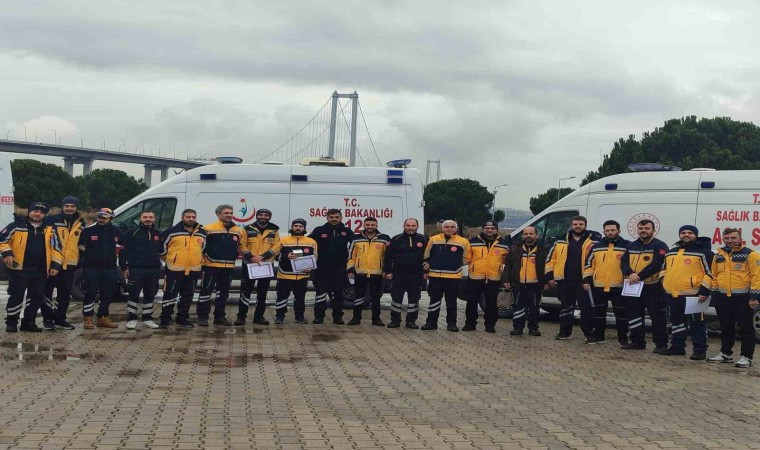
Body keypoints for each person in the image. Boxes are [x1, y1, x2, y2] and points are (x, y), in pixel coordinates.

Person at [0, 202, 61, 332]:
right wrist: (7, 253)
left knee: (36, 296)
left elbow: (56, 248)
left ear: (45, 214)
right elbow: (2, 240)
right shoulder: (16, 226)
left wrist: (55, 265)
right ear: (29, 211)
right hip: (20, 268)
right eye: (35, 211)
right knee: (17, 295)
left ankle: (28, 323)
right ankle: (11, 323)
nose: (38, 214)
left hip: (41, 269)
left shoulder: (51, 228)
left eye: (41, 212)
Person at [707, 228, 760, 368]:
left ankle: (746, 357)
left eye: (733, 238)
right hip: (722, 298)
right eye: (727, 238)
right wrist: (715, 293)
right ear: (723, 239)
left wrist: (754, 297)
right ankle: (725, 354)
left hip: (743, 298)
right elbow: (714, 275)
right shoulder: (719, 255)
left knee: (746, 329)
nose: (730, 241)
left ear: (740, 238)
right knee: (726, 327)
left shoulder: (751, 255)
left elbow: (757, 277)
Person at [659, 225, 714, 360]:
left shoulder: (705, 253)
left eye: (690, 232)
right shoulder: (671, 252)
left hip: (694, 294)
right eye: (683, 232)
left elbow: (710, 273)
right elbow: (663, 269)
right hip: (672, 294)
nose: (686, 235)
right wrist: (664, 282)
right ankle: (677, 347)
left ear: (695, 235)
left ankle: (699, 350)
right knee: (676, 322)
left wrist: (704, 291)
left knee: (697, 323)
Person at [545, 216, 599, 341]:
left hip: (585, 281)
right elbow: (550, 260)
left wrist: (589, 279)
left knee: (586, 309)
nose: (578, 226)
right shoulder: (560, 241)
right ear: (571, 225)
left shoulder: (594, 241)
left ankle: (589, 334)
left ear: (585, 225)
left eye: (580, 224)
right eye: (575, 224)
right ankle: (564, 332)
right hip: (565, 280)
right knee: (566, 308)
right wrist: (549, 276)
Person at [620, 219, 669, 352]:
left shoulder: (660, 245)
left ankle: (661, 344)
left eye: (647, 228)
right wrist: (630, 273)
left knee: (656, 316)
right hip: (633, 285)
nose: (643, 231)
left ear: (653, 230)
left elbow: (657, 264)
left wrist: (639, 276)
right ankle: (637, 341)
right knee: (634, 314)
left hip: (652, 286)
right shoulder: (632, 245)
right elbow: (623, 262)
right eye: (641, 228)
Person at [582, 220, 630, 345]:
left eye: (613, 230)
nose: (610, 232)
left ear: (619, 231)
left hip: (619, 285)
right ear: (603, 231)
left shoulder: (627, 246)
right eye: (607, 230)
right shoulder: (596, 246)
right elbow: (589, 265)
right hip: (599, 284)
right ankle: (599, 336)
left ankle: (623, 338)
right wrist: (586, 280)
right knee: (598, 313)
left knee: (621, 313)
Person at [197, 204, 247, 327]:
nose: (229, 215)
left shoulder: (238, 230)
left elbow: (242, 246)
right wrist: (206, 257)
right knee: (206, 292)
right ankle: (203, 317)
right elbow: (200, 247)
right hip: (210, 266)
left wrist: (252, 257)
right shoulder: (208, 228)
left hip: (228, 266)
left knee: (223, 293)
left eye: (231, 213)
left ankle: (219, 317)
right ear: (218, 214)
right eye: (226, 213)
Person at [42, 196, 85, 331]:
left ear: (76, 208)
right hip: (52, 263)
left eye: (72, 206)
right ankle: (47, 319)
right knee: (47, 293)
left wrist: (80, 254)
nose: (69, 209)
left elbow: (81, 242)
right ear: (63, 206)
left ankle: (60, 319)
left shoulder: (81, 223)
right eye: (67, 206)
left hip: (70, 264)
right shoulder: (51, 220)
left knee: (65, 294)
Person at [159, 209, 206, 328]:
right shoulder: (171, 231)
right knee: (170, 294)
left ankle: (182, 318)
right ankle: (165, 319)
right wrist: (171, 260)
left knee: (187, 295)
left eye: (193, 217)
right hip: (174, 269)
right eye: (188, 217)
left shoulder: (202, 232)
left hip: (193, 270)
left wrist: (198, 260)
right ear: (182, 218)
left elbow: (203, 249)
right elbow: (162, 248)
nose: (191, 219)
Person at [422, 220, 471, 332]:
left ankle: (451, 324)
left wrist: (456, 265)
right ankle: (431, 323)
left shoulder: (463, 241)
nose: (449, 229)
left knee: (451, 302)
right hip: (435, 275)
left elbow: (467, 258)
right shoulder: (433, 239)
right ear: (442, 228)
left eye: (452, 227)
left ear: (456, 229)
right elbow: (426, 255)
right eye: (447, 227)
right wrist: (427, 267)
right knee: (434, 300)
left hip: (453, 276)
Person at [78, 208, 122, 329]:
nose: (101, 219)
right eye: (99, 217)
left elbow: (123, 246)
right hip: (92, 267)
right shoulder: (88, 231)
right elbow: (80, 245)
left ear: (111, 219)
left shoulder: (117, 231)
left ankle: (102, 317)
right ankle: (88, 317)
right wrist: (90, 254)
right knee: (90, 293)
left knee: (108, 293)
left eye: (104, 218)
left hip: (110, 268)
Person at [236, 208, 281, 326]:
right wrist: (251, 257)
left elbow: (277, 246)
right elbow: (242, 244)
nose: (263, 217)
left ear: (269, 217)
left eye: (266, 215)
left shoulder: (274, 229)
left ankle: (259, 317)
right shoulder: (247, 228)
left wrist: (263, 256)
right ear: (257, 216)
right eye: (261, 215)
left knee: (262, 292)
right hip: (249, 264)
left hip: (266, 265)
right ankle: (241, 317)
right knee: (245, 291)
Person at [309, 209, 354, 325]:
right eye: (331, 217)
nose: (334, 219)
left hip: (340, 267)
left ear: (341, 218)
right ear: (327, 218)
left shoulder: (346, 231)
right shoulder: (319, 230)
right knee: (321, 292)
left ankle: (338, 317)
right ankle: (319, 317)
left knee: (338, 293)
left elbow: (356, 246)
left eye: (336, 217)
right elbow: (308, 244)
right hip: (322, 266)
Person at [120, 210, 163, 330]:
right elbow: (123, 251)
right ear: (140, 219)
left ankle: (147, 318)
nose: (148, 219)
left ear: (154, 219)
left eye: (150, 217)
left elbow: (161, 251)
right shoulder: (131, 232)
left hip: (153, 269)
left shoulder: (158, 232)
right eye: (145, 217)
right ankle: (131, 319)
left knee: (150, 294)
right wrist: (124, 267)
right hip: (136, 269)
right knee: (133, 294)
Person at [465, 220, 509, 332]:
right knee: (471, 301)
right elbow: (466, 259)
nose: (489, 230)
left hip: (494, 277)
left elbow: (508, 262)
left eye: (492, 228)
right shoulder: (472, 242)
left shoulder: (504, 244)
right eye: (487, 228)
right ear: (483, 229)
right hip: (475, 276)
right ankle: (470, 324)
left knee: (492, 302)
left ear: (496, 230)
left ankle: (490, 325)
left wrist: (505, 277)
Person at [503, 226, 547, 336]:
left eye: (531, 234)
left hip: (536, 284)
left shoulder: (543, 249)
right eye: (526, 234)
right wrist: (506, 279)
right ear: (523, 235)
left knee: (534, 307)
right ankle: (517, 328)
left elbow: (547, 267)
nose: (528, 236)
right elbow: (508, 265)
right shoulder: (515, 248)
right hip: (518, 283)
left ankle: (533, 328)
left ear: (536, 235)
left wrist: (546, 281)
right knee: (518, 306)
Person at [384, 218, 427, 329]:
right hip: (399, 273)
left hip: (416, 274)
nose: (410, 228)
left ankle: (411, 321)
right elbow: (388, 256)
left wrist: (426, 271)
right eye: (408, 225)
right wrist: (388, 271)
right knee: (396, 298)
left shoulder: (423, 239)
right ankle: (395, 320)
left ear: (417, 227)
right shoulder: (396, 239)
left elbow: (427, 256)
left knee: (414, 298)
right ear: (404, 226)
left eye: (413, 226)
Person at [347, 217, 391, 326]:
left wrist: (386, 270)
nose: (370, 227)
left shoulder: (384, 238)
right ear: (364, 225)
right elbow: (351, 256)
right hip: (360, 272)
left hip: (377, 272)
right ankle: (356, 318)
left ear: (376, 225)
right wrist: (350, 269)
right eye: (367, 225)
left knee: (375, 296)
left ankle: (376, 319)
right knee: (359, 296)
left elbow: (388, 256)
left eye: (372, 225)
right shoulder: (356, 238)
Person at [274, 219, 317, 324]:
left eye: (301, 226)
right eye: (296, 226)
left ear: (304, 228)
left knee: (300, 298)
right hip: (285, 274)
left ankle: (299, 317)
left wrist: (311, 267)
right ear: (292, 227)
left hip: (302, 275)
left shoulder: (311, 241)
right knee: (282, 297)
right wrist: (286, 256)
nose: (298, 228)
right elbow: (275, 255)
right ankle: (279, 317)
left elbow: (315, 257)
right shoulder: (284, 240)